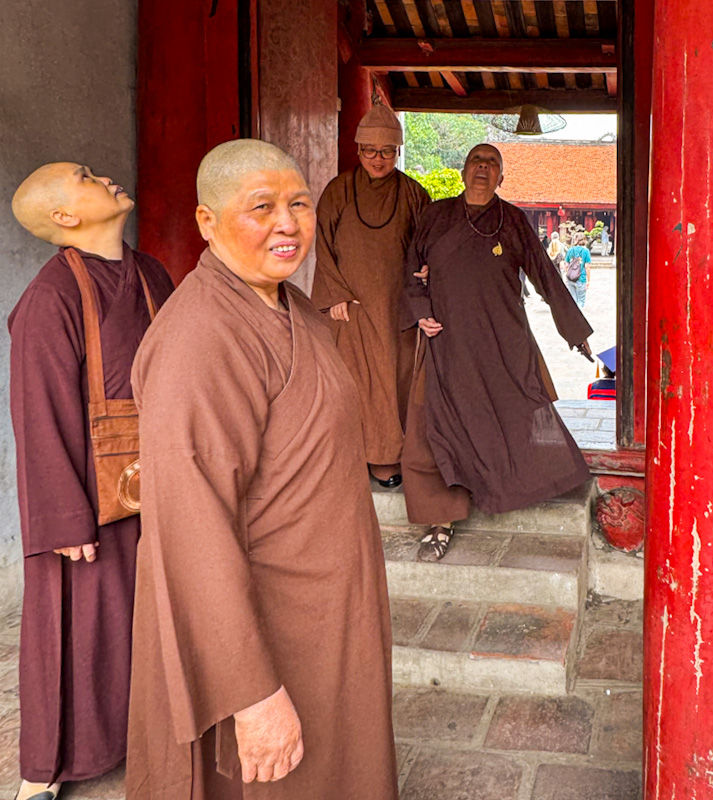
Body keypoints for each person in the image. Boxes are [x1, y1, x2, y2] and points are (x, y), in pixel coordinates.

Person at [126, 139, 397, 799]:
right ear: (207, 223)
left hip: (322, 619)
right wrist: (251, 693)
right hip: (263, 636)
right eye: (262, 207)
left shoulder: (293, 308)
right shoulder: (201, 337)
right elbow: (192, 529)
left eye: (298, 204)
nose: (288, 223)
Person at [8, 163, 173, 800]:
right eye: (83, 177)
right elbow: (37, 410)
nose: (101, 176)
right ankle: (43, 770)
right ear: (66, 219)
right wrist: (63, 517)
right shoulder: (51, 297)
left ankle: (143, 737)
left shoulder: (153, 274)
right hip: (86, 494)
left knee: (145, 621)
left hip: (154, 477)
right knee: (74, 629)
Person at [402, 144, 593, 561]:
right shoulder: (435, 216)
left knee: (522, 406)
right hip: (447, 341)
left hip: (502, 340)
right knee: (436, 427)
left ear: (502, 178)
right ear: (463, 170)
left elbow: (544, 272)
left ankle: (528, 485)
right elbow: (411, 270)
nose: (483, 169)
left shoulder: (514, 220)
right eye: (476, 161)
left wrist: (574, 332)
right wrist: (420, 312)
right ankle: (441, 520)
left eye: (492, 164)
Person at [312, 105, 430, 488]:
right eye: (369, 151)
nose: (377, 159)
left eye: (386, 151)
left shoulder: (413, 193)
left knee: (394, 382)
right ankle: (347, 460)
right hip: (350, 309)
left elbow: (428, 247)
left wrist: (427, 278)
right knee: (349, 384)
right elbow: (323, 247)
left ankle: (386, 458)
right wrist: (335, 296)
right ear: (358, 150)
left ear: (397, 152)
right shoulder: (338, 191)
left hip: (396, 309)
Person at [563, 235, 592, 308]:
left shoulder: (570, 250)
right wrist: (588, 280)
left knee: (573, 301)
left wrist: (569, 273)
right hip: (581, 278)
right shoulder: (586, 251)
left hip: (570, 279)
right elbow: (587, 266)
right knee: (581, 301)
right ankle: (578, 318)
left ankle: (572, 317)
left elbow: (566, 264)